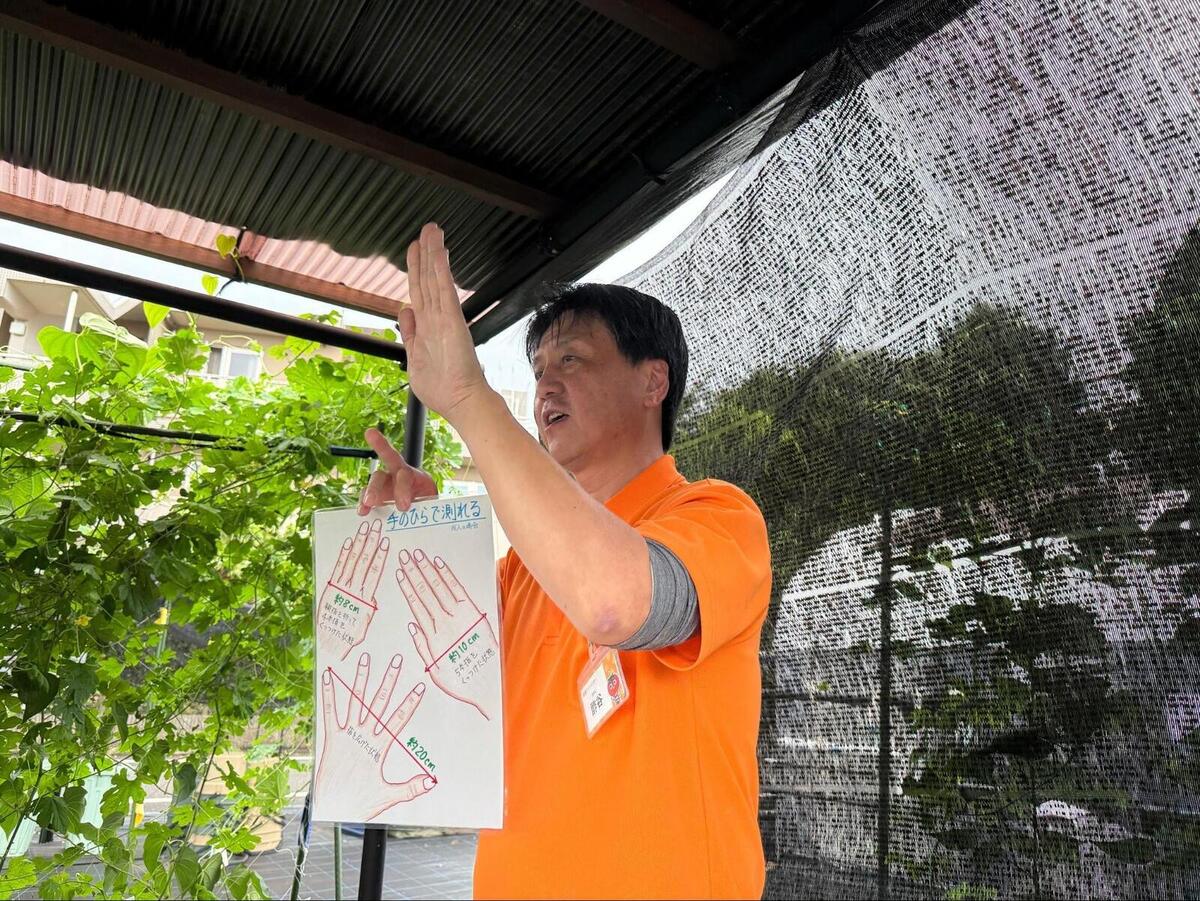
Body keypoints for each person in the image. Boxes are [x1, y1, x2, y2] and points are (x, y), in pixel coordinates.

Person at [359, 223, 771, 899]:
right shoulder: (522, 569)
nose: (545, 386)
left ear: (653, 381)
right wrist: (414, 536)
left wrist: (469, 398)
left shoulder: (718, 516)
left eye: (572, 360)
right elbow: (428, 699)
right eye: (538, 371)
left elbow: (612, 601)